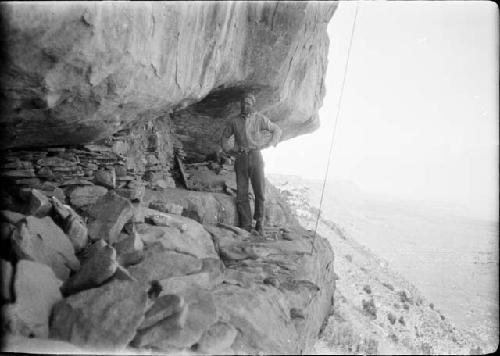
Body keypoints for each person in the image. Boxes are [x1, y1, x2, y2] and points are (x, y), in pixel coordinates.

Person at [218, 93, 282, 235]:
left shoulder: (259, 119)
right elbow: (224, 138)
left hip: (256, 156)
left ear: (252, 104)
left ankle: (259, 223)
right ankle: (246, 225)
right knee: (242, 193)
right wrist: (231, 150)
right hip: (240, 158)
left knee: (259, 191)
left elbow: (276, 129)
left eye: (247, 103)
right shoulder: (234, 121)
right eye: (243, 103)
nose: (244, 105)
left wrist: (271, 143)